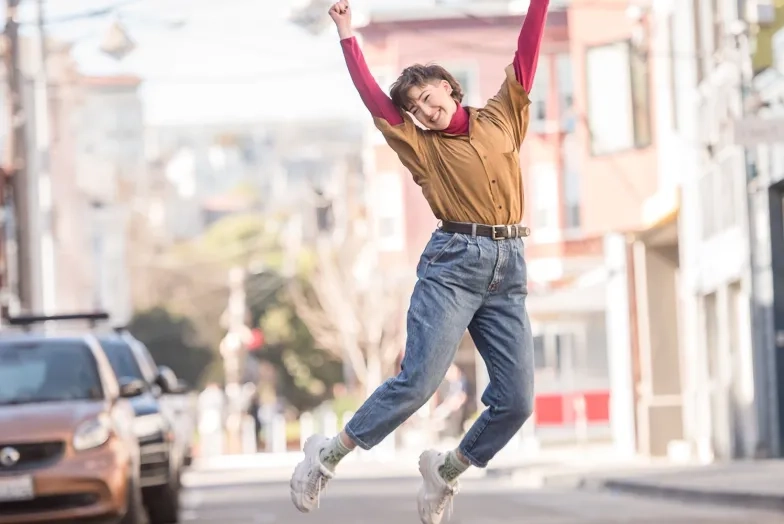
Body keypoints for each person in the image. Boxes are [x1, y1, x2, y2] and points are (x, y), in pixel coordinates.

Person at [290, 0, 548, 522]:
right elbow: (371, 99)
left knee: (516, 401)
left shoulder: (503, 115)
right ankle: (327, 455)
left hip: (509, 265)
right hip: (453, 265)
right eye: (418, 109)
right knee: (418, 383)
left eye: (431, 99)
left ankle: (446, 470)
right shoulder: (420, 147)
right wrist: (346, 35)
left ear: (451, 89)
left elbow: (527, 49)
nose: (428, 112)